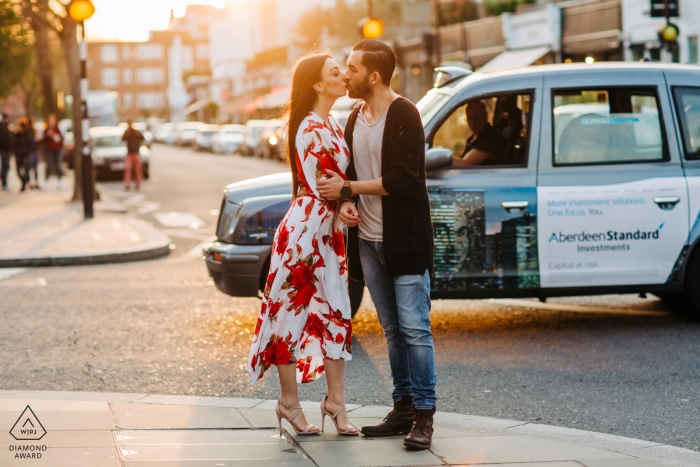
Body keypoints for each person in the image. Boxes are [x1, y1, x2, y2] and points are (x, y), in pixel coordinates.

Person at [317, 39, 437, 450]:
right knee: (392, 331)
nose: (345, 74)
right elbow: (348, 170)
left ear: (373, 76)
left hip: (404, 242)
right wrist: (347, 201)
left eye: (351, 68)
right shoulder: (355, 116)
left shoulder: (405, 113)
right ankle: (402, 408)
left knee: (415, 330)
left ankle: (424, 416)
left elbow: (404, 179)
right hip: (368, 241)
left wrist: (347, 187)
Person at [246, 53, 358, 437]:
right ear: (317, 83)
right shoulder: (310, 128)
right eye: (335, 72)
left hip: (327, 235)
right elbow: (327, 184)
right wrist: (343, 201)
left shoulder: (335, 123)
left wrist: (344, 202)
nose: (343, 75)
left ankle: (336, 404)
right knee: (289, 316)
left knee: (336, 314)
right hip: (304, 236)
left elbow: (337, 183)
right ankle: (289, 403)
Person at [452, 100, 507, 166]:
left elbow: (465, 164)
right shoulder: (472, 138)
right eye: (469, 118)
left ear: (486, 116)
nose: (472, 123)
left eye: (477, 118)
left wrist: (439, 158)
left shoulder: (492, 139)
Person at [13, 118, 36, 192]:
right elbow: (14, 144)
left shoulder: (28, 134)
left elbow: (32, 144)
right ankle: (24, 182)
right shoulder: (16, 135)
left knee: (26, 169)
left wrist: (28, 151)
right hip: (19, 155)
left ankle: (25, 184)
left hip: (26, 154)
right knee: (18, 171)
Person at [42, 114, 64, 190]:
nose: (51, 122)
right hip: (49, 150)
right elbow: (43, 141)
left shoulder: (57, 129)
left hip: (57, 149)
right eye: (49, 121)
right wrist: (47, 135)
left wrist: (55, 136)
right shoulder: (46, 130)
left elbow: (61, 139)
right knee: (49, 165)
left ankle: (60, 182)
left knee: (59, 165)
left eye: (52, 121)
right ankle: (46, 181)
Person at [122, 120, 144, 190]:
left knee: (137, 170)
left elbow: (142, 138)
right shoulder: (127, 132)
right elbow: (122, 139)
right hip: (129, 153)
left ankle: (137, 184)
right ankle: (127, 184)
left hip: (136, 153)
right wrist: (127, 133)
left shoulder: (136, 131)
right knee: (128, 169)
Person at [0, 113, 12, 190]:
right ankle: (4, 182)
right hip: (3, 149)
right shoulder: (1, 127)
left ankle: (4, 182)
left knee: (6, 166)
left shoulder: (6, 127)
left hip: (7, 149)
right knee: (5, 166)